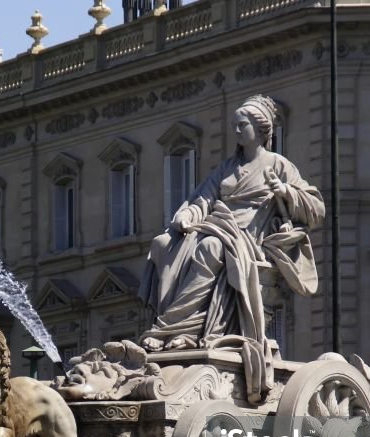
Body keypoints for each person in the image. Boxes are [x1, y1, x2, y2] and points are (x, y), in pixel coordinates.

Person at [138, 94, 325, 359]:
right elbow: (203, 198)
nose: (236, 130)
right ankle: (179, 328)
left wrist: (285, 191)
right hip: (218, 225)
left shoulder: (278, 165)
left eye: (242, 124)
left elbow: (316, 208)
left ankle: (175, 328)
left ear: (261, 129)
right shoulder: (226, 167)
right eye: (235, 125)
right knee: (163, 244)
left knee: (210, 248)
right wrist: (189, 214)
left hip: (250, 236)